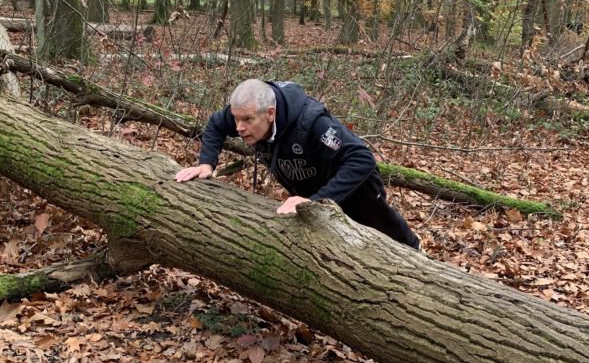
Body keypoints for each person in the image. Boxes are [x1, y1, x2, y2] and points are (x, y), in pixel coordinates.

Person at [175, 79, 420, 249]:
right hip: (310, 192)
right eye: (237, 119)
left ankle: (415, 253)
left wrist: (317, 201)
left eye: (247, 120)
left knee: (379, 234)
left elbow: (362, 159)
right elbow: (216, 124)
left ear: (270, 113)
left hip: (354, 189)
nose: (239, 128)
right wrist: (206, 164)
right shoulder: (246, 111)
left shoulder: (313, 123)